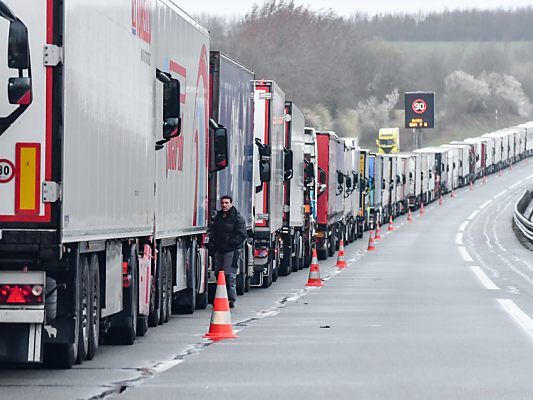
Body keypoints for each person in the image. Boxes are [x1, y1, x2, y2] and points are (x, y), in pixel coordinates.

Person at [211, 195, 247, 308]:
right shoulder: (218, 217)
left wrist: (231, 243)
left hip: (231, 251)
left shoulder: (237, 218)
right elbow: (214, 231)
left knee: (229, 275)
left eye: (226, 203)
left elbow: (242, 235)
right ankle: (220, 297)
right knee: (218, 274)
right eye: (222, 203)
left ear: (231, 203)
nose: (224, 205)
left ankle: (231, 299)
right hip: (219, 250)